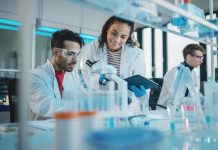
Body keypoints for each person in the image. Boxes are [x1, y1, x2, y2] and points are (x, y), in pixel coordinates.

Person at [79, 16, 147, 112]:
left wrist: (141, 94)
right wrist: (98, 80)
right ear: (107, 29)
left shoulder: (137, 54)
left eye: (123, 37)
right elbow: (86, 71)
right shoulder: (94, 47)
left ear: (128, 36)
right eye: (114, 33)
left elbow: (139, 79)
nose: (117, 40)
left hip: (128, 106)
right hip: (102, 104)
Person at [29, 29, 85, 120]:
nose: (75, 60)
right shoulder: (36, 76)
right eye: (70, 53)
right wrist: (82, 105)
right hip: (41, 131)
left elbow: (85, 97)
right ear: (55, 52)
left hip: (67, 128)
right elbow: (46, 105)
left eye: (77, 54)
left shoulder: (74, 76)